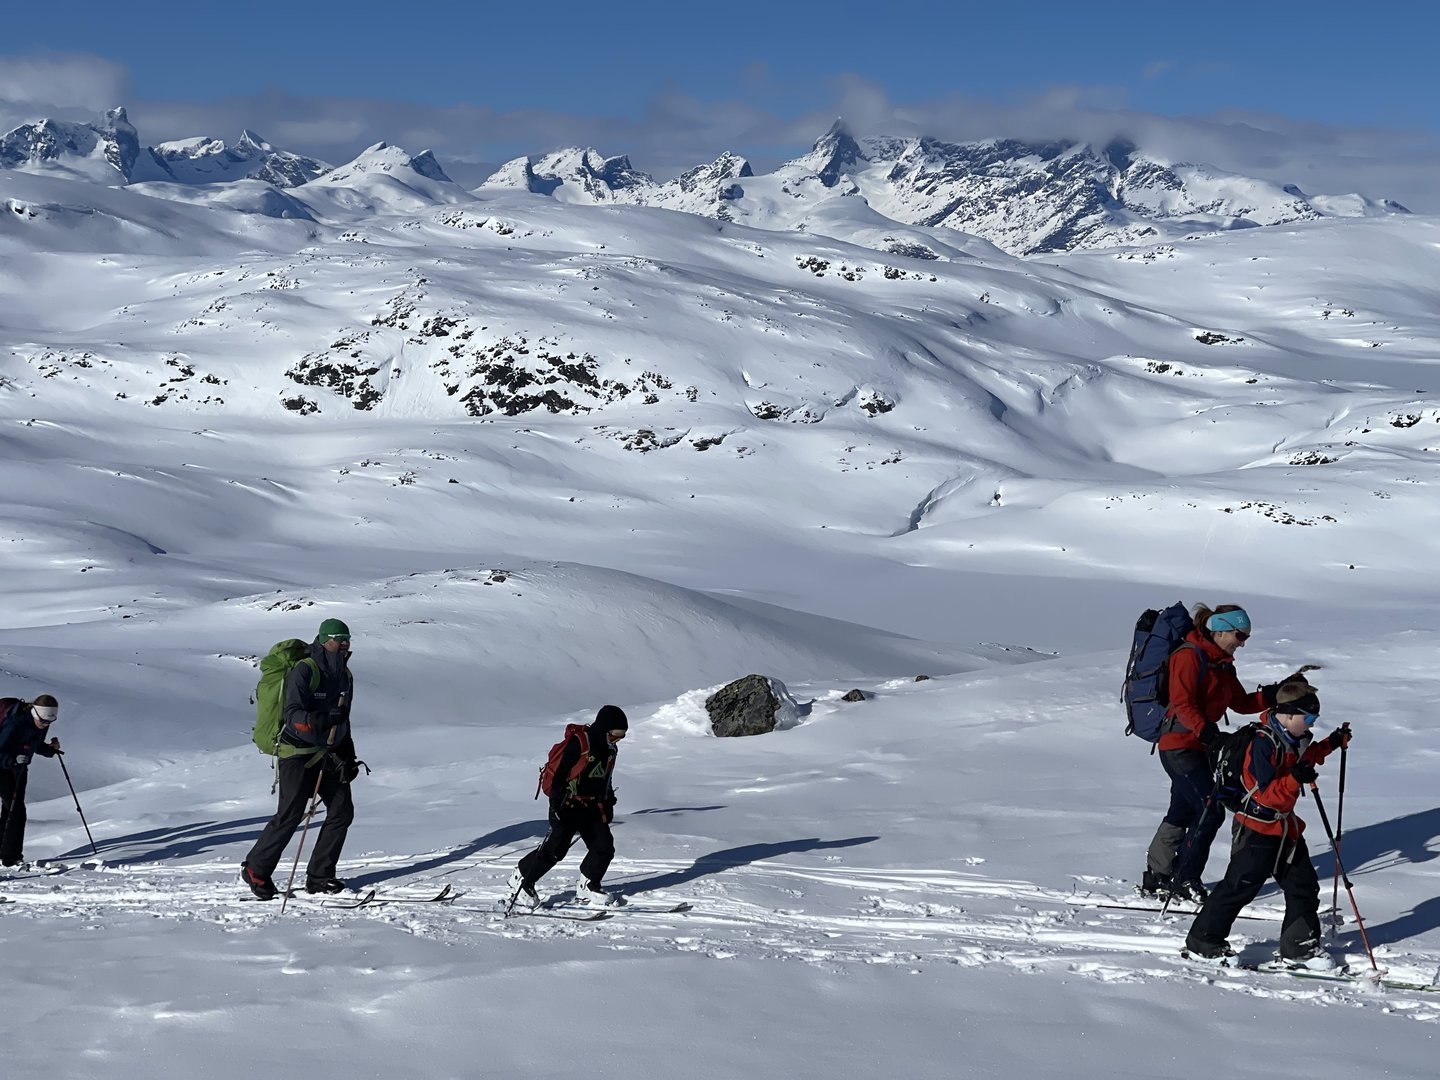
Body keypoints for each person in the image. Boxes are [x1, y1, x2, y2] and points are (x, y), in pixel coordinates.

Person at [1185, 680, 1350, 961]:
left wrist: (1331, 743)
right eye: (1308, 718)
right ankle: (1203, 940)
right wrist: (1295, 778)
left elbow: (1303, 759)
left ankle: (1300, 949)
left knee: (1303, 885)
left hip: (1286, 829)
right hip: (1256, 828)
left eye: (1315, 718)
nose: (1312, 723)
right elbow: (1266, 795)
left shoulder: (1293, 737)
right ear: (1287, 714)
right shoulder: (1262, 744)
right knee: (1240, 887)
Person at [1142, 604, 1278, 904]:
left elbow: (1241, 703)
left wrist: (1274, 695)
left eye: (1246, 637)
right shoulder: (1188, 656)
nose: (1242, 643)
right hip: (1178, 744)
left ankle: (1157, 874)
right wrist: (1208, 733)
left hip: (1200, 746)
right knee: (1210, 809)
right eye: (1240, 635)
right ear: (1220, 630)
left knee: (1183, 810)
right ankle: (1185, 879)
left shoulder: (1222, 664)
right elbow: (1181, 702)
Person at [241, 618, 361, 899]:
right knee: (290, 814)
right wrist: (320, 719)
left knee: (342, 811)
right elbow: (293, 713)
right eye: (339, 639)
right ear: (324, 640)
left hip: (329, 753)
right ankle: (256, 869)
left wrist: (349, 754)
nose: (344, 644)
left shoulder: (345, 674)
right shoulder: (305, 669)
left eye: (347, 638)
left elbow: (344, 720)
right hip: (296, 752)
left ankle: (320, 877)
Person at [508, 705, 628, 909]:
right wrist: (556, 804)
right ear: (603, 728)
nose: (616, 740)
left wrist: (608, 802)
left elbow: (605, 778)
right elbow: (559, 776)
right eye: (614, 735)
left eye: (621, 737)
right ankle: (521, 878)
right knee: (556, 849)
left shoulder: (610, 750)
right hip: (567, 803)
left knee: (603, 846)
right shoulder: (580, 743)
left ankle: (588, 886)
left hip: (592, 805)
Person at [0, 695, 62, 867]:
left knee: (10, 809)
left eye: (50, 722)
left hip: (20, 768)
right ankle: (11, 857)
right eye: (43, 721)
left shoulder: (40, 723)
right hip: (3, 768)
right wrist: (12, 760)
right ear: (35, 713)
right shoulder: (14, 723)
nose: (45, 725)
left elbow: (36, 744)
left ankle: (4, 851)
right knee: (17, 810)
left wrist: (50, 750)